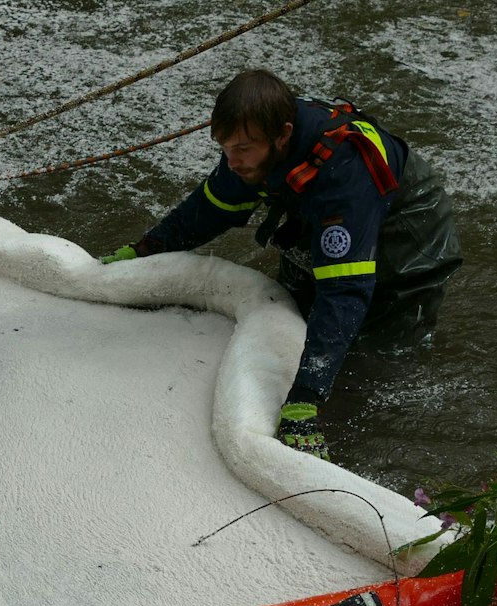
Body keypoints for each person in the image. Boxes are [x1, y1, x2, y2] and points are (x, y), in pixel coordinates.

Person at [102, 69, 462, 460]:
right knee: (293, 313)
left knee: (375, 359)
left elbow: (344, 292)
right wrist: (145, 248)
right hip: (317, 210)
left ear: (283, 134)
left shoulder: (345, 172)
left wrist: (307, 398)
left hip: (407, 236)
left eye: (242, 150)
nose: (232, 160)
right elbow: (211, 208)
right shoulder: (254, 141)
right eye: (224, 148)